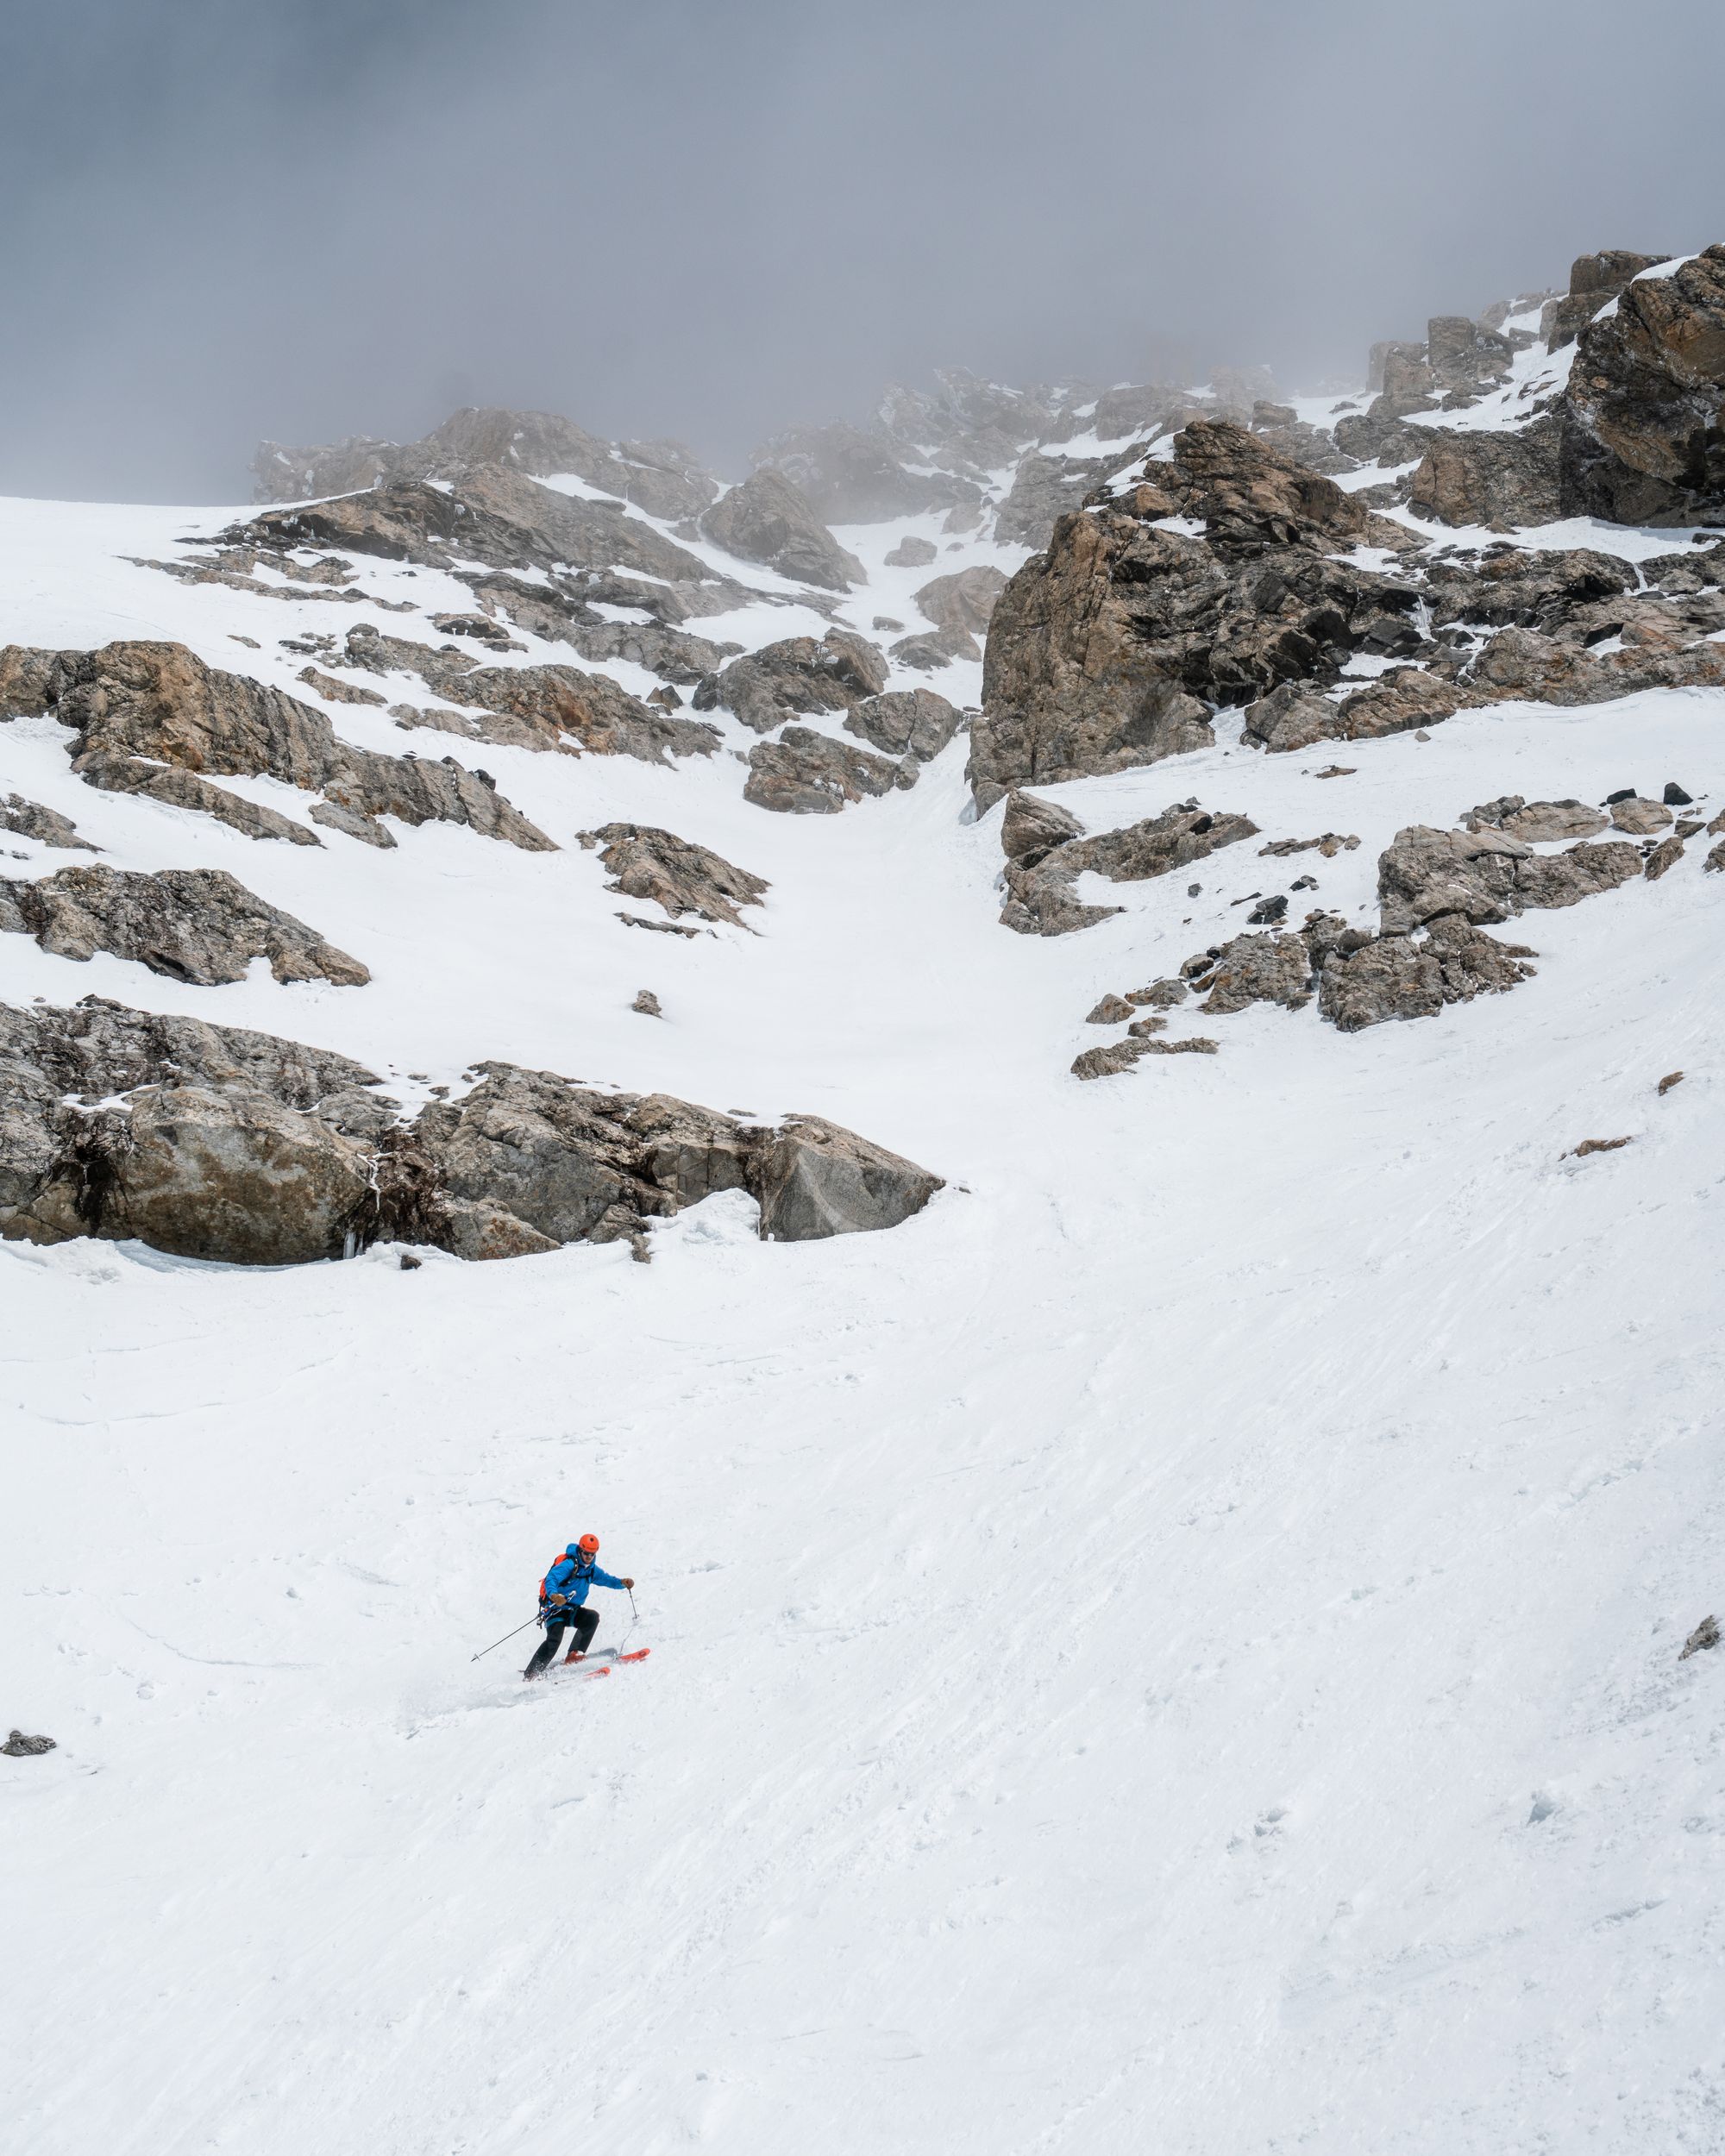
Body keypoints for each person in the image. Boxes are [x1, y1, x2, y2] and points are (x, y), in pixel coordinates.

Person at [523, 1534, 635, 1680]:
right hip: (556, 1609)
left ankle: (574, 1654)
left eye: (592, 1554)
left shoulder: (592, 1570)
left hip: (572, 1610)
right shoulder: (570, 1564)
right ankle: (531, 1674)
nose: (589, 1556)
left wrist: (622, 1583)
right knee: (554, 1640)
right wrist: (554, 1595)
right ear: (581, 1550)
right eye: (586, 1553)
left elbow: (606, 1579)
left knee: (592, 1618)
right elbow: (552, 1578)